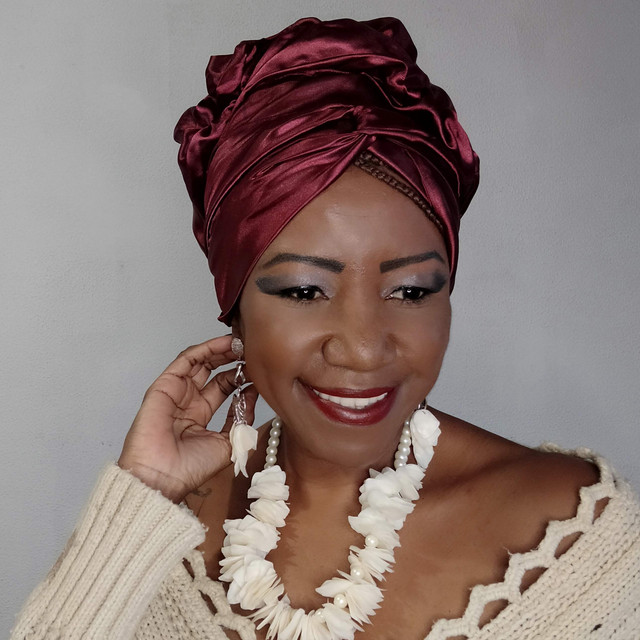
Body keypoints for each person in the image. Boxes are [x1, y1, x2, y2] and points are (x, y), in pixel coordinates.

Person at [11, 16, 640, 640]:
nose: (363, 349)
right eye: (304, 291)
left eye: (411, 291)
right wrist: (143, 496)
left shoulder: (576, 540)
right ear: (235, 310)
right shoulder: (159, 534)